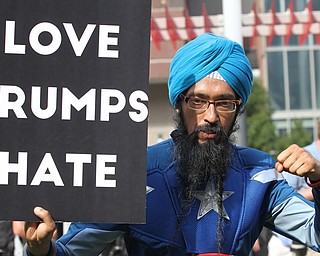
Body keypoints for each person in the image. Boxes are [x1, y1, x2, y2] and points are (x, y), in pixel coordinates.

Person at [23, 33, 320, 255]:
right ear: (178, 104)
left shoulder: (260, 174)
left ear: (238, 107)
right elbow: (70, 251)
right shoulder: (133, 174)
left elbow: (315, 236)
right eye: (198, 101)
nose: (211, 116)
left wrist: (318, 181)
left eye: (225, 103)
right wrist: (40, 249)